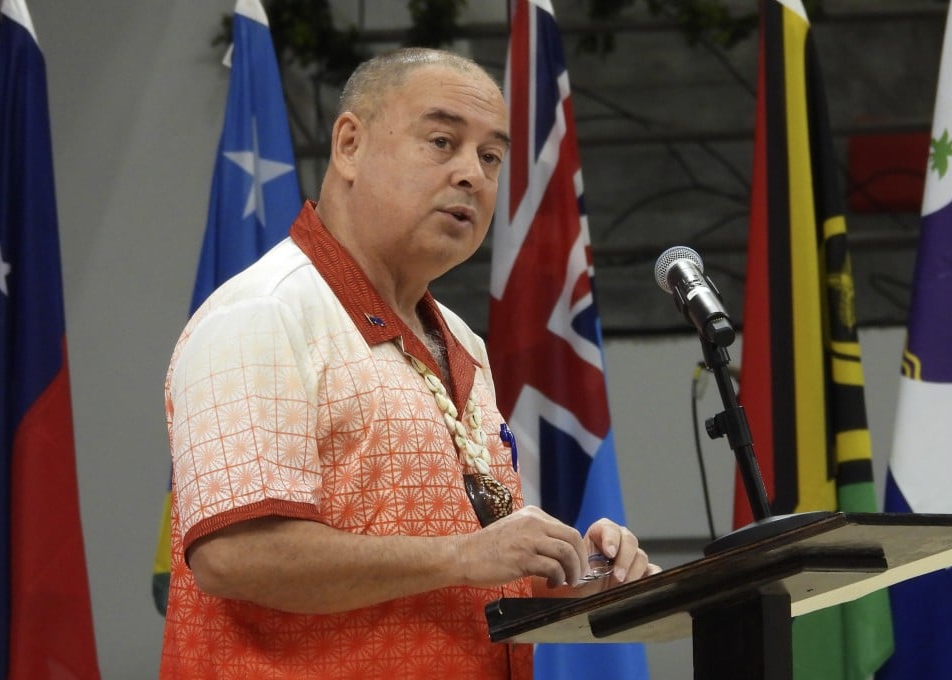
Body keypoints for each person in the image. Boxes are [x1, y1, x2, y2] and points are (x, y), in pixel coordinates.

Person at [159, 47, 657, 680]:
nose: (472, 175)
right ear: (348, 145)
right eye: (442, 141)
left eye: (490, 156)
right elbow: (235, 556)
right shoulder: (264, 314)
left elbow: (466, 576)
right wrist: (462, 556)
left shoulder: (461, 341)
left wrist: (569, 573)